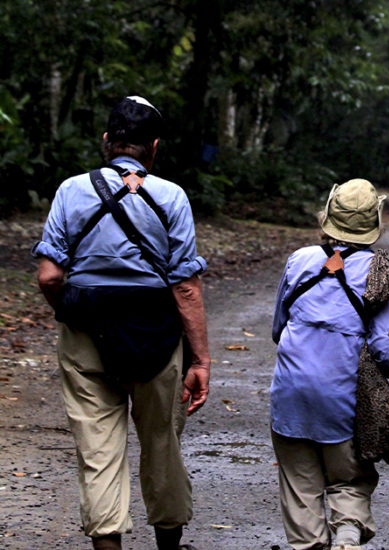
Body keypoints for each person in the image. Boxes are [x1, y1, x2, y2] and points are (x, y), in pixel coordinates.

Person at [32, 96, 210, 550]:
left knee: (98, 451)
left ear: (107, 141)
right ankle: (168, 543)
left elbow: (50, 274)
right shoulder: (171, 196)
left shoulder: (71, 190)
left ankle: (108, 544)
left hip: (86, 335)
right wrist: (201, 359)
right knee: (161, 443)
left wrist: (71, 307)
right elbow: (185, 288)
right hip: (155, 336)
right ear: (153, 147)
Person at [270, 179, 389, 550]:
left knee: (301, 488)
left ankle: (310, 545)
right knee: (349, 481)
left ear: (327, 217)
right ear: (374, 222)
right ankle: (348, 536)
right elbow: (388, 352)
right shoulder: (382, 272)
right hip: (343, 399)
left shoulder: (299, 260)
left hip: (290, 395)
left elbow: (278, 328)